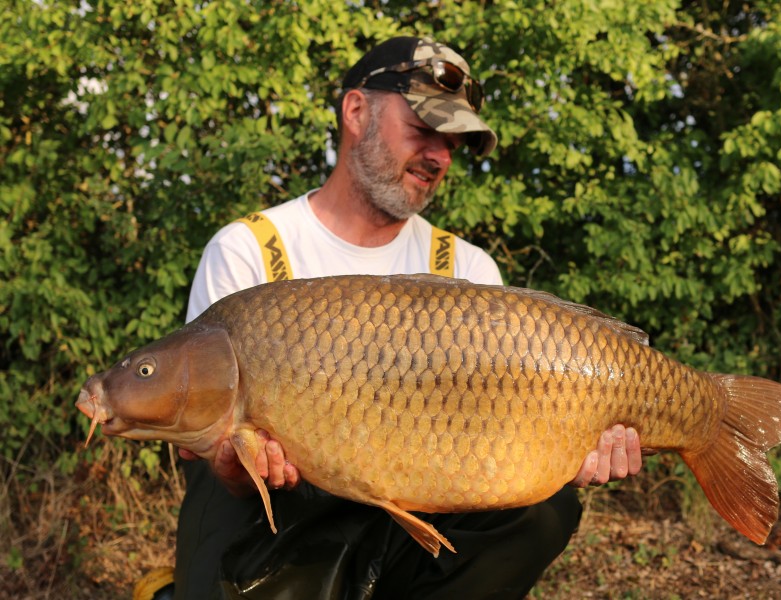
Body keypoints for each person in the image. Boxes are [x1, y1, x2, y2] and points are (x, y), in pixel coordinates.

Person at [173, 36, 643, 600]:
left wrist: (568, 447)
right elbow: (199, 449)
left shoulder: (466, 268)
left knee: (545, 511)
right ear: (355, 111)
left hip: (414, 522)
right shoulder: (250, 248)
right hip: (277, 523)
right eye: (423, 130)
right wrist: (235, 463)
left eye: (452, 142)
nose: (439, 156)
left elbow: (503, 441)